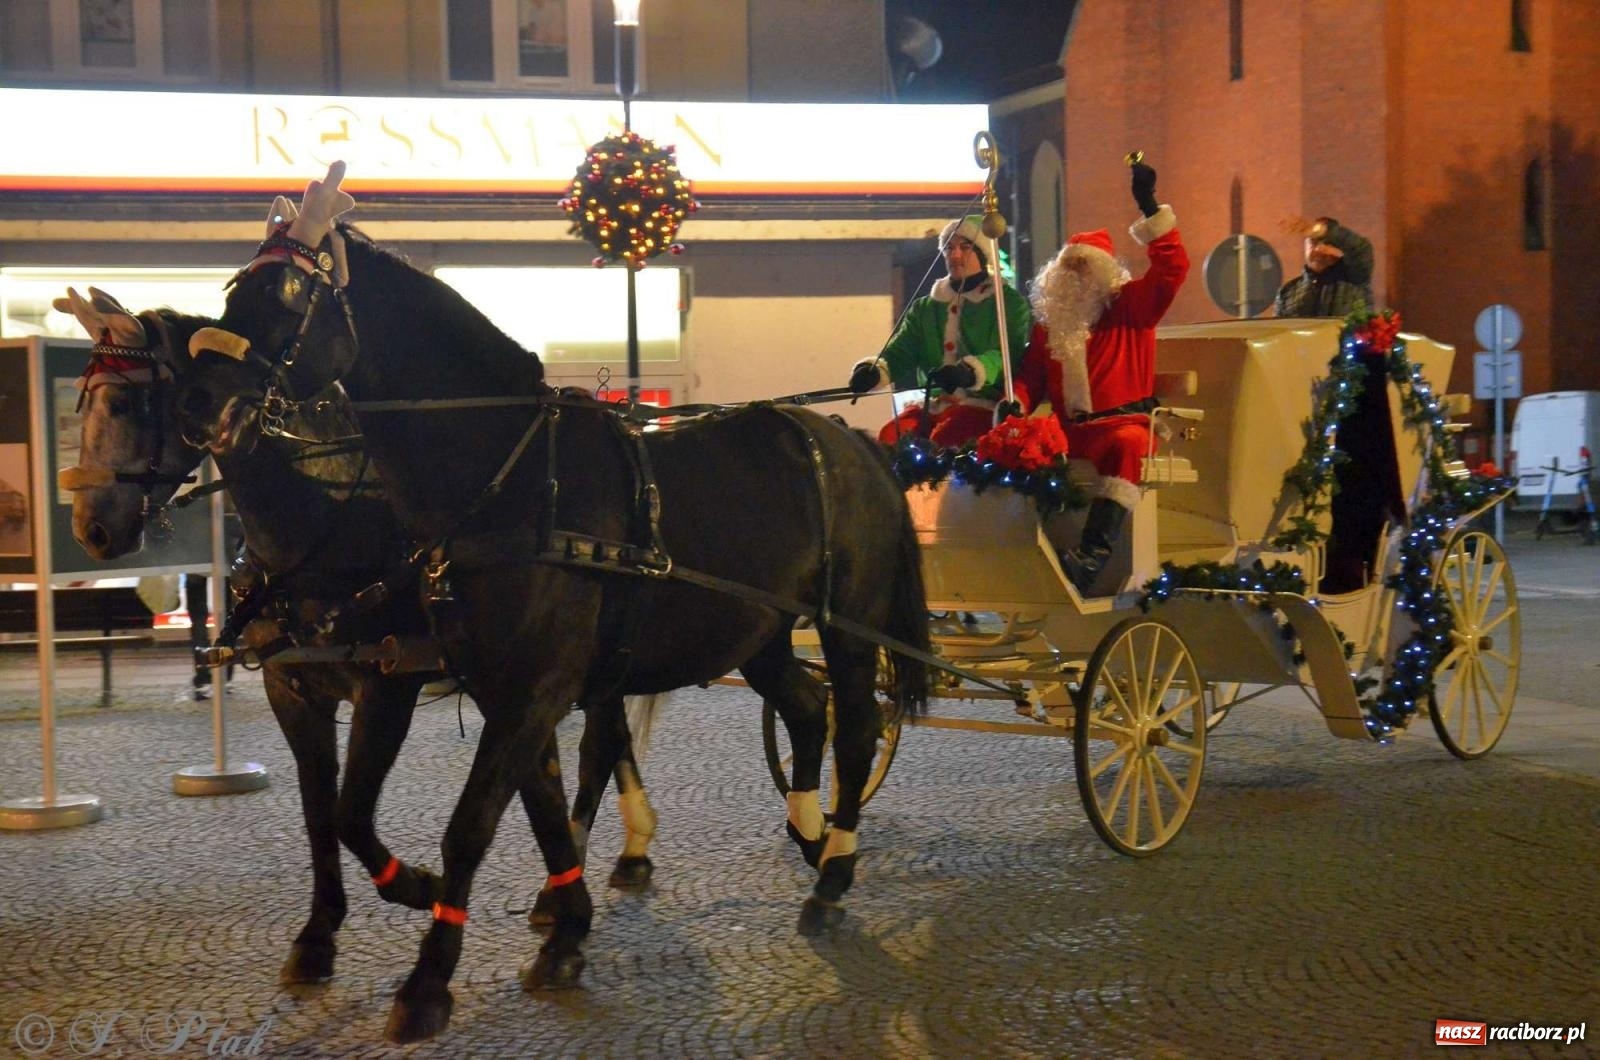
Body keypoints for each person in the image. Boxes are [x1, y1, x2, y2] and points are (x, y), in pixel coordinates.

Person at [1014, 159, 1189, 595]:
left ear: (1103, 271)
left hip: (1121, 425)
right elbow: (1029, 381)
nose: (1074, 277)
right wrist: (1014, 406)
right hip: (1069, 431)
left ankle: (1091, 555)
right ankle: (1021, 551)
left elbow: (1173, 270)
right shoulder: (1050, 325)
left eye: (1083, 267)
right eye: (1068, 267)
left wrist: (1149, 206)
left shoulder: (1132, 306)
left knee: (1127, 445)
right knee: (1019, 447)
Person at [847, 215, 1032, 447]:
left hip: (982, 407)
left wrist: (970, 371)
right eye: (949, 248)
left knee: (945, 438)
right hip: (934, 406)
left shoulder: (1007, 303)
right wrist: (875, 372)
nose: (954, 255)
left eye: (965, 247)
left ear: (983, 253)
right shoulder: (926, 307)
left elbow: (1008, 354)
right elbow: (901, 351)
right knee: (891, 438)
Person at [1273, 217, 1374, 319]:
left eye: (1327, 244)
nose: (1319, 249)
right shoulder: (1288, 291)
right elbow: (1279, 330)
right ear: (1305, 246)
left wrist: (1319, 231)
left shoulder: (1355, 277)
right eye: (1313, 242)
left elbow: (1361, 248)